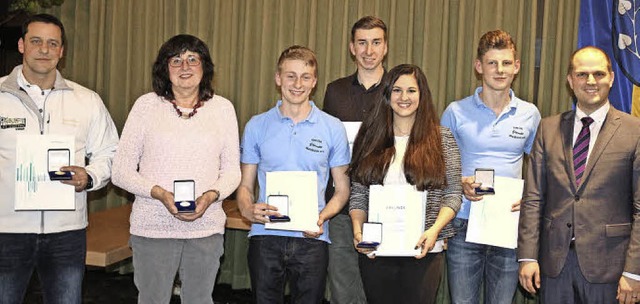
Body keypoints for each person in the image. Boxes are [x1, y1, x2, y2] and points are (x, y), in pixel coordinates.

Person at [111, 34, 240, 304]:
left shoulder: (223, 108)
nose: (185, 66)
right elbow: (121, 170)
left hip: (205, 228)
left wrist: (211, 196)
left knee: (199, 300)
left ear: (205, 67)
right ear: (164, 68)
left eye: (193, 59)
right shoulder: (145, 106)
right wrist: (158, 192)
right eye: (176, 60)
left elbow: (231, 172)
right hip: (153, 227)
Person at [0, 13, 119, 304]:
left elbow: (111, 153)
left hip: (66, 233)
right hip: (7, 231)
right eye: (36, 41)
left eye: (53, 43)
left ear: (62, 51)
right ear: (21, 45)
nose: (44, 49)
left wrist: (89, 177)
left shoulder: (86, 100)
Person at [518, 46, 640, 303]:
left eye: (598, 74)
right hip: (554, 266)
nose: (591, 81)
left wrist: (634, 271)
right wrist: (528, 257)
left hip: (610, 268)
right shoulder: (548, 128)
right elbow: (533, 198)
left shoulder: (635, 131)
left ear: (612, 78)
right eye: (582, 74)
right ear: (570, 80)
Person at [237, 45, 350, 304]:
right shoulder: (256, 125)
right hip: (265, 236)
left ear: (314, 81)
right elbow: (245, 186)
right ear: (278, 79)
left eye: (305, 76)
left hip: (313, 238)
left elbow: (342, 189)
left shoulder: (332, 127)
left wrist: (322, 217)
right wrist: (246, 210)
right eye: (290, 76)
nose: (297, 84)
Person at [440, 30, 541, 303]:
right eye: (492, 63)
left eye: (506, 63)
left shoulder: (530, 114)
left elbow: (539, 168)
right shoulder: (455, 111)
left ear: (517, 67)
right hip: (463, 223)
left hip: (508, 225)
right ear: (479, 66)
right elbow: (439, 167)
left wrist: (529, 196)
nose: (500, 70)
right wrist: (461, 182)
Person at [349, 64, 462, 304]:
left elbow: (453, 194)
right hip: (376, 250)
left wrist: (435, 231)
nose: (404, 97)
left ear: (422, 95)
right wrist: (358, 231)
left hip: (424, 248)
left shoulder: (442, 139)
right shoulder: (369, 137)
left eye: (411, 90)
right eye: (397, 90)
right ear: (387, 94)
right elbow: (358, 194)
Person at [322, 15, 388, 304]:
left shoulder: (400, 91)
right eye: (362, 43)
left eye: (376, 42)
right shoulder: (334, 91)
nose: (369, 51)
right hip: (342, 207)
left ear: (385, 47)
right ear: (352, 47)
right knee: (343, 288)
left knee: (384, 289)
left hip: (387, 205)